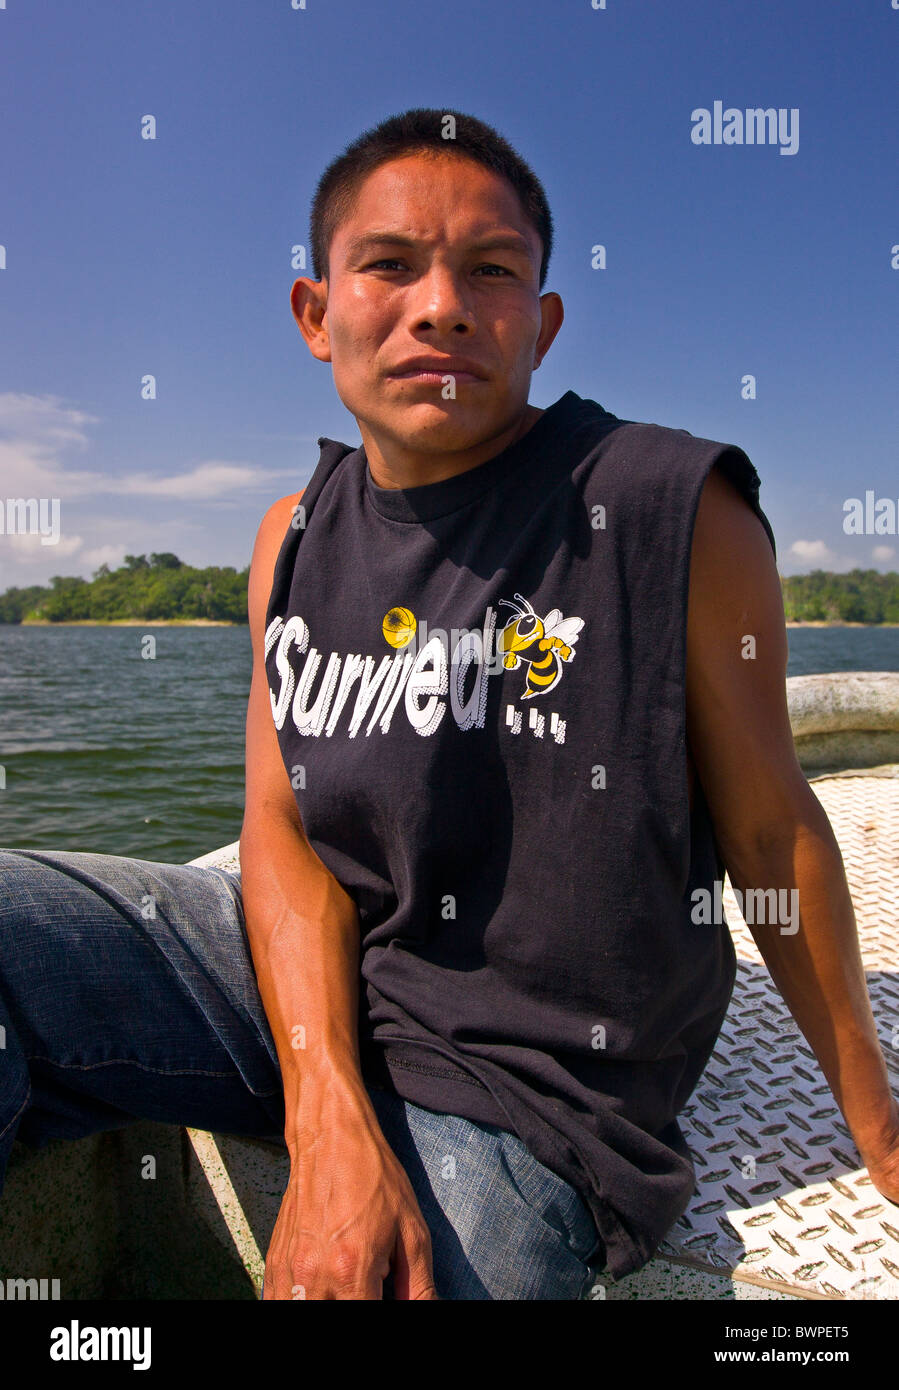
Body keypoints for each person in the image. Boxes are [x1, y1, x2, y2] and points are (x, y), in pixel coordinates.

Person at [1, 108, 897, 1302]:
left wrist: (874, 1118)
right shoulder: (291, 534)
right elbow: (281, 828)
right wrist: (326, 1117)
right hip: (302, 978)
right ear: (315, 316)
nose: (441, 305)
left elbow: (767, 826)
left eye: (491, 271)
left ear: (543, 320)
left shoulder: (667, 507)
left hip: (531, 1066)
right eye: (387, 265)